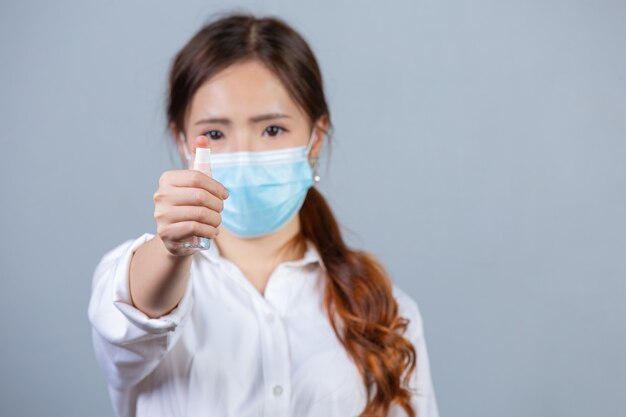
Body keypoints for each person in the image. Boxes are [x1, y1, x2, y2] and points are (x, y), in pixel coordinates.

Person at [88, 12, 439, 417]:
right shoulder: (131, 276)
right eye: (216, 134)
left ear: (315, 139)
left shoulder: (385, 311)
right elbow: (135, 320)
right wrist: (172, 249)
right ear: (182, 142)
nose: (246, 153)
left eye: (272, 130)